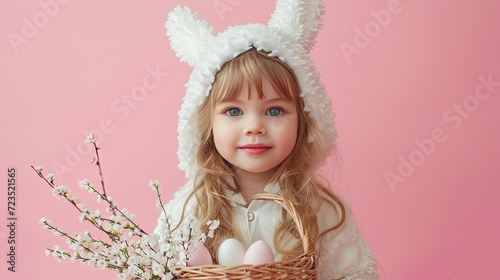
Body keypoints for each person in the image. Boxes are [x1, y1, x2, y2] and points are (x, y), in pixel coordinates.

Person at [154, 1, 379, 279]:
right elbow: (151, 269)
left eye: (274, 111)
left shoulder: (321, 211)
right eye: (233, 111)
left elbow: (357, 274)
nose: (254, 127)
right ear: (208, 124)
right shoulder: (188, 209)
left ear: (304, 119)